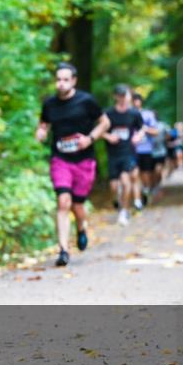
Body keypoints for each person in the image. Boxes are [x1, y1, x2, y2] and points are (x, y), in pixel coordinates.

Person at [36, 62, 110, 266]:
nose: (61, 84)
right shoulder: (49, 104)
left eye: (65, 80)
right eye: (58, 79)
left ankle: (81, 227)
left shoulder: (86, 101)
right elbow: (44, 123)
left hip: (84, 161)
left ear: (74, 81)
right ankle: (63, 250)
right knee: (63, 202)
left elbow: (105, 123)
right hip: (60, 159)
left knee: (77, 205)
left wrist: (90, 138)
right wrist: (41, 132)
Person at [102, 85, 143, 226]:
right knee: (114, 187)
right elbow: (98, 130)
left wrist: (138, 136)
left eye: (125, 96)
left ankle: (124, 211)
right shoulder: (108, 114)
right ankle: (118, 202)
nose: (123, 98)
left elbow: (142, 128)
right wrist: (108, 136)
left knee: (126, 181)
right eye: (120, 96)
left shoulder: (134, 114)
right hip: (113, 154)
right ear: (115, 97)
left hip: (128, 152)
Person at [131, 93, 158, 209]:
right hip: (131, 150)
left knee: (145, 174)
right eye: (134, 100)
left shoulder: (148, 115)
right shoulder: (128, 114)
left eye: (138, 100)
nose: (136, 102)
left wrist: (144, 129)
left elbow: (156, 132)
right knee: (134, 174)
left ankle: (146, 190)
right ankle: (137, 199)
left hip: (146, 149)